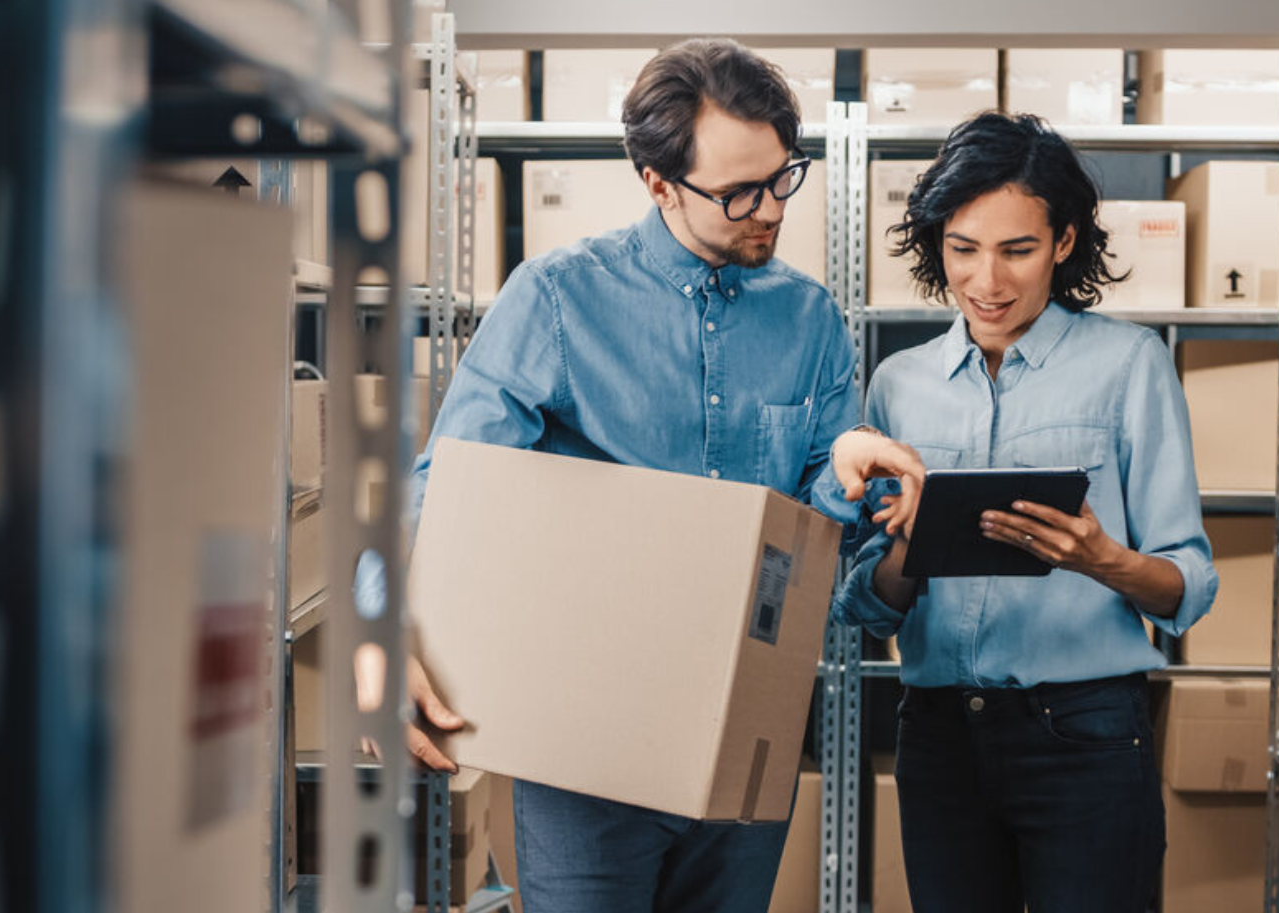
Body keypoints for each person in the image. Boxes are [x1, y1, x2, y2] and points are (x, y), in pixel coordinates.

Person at [382, 38, 925, 913]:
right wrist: (385, 618)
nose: (770, 210)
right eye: (737, 193)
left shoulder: (812, 320)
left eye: (782, 178)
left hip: (748, 731)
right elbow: (446, 486)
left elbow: (818, 523)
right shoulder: (558, 299)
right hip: (586, 744)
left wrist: (848, 470)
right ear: (656, 181)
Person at [833, 112, 1219, 913]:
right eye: (963, 249)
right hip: (939, 737)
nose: (987, 282)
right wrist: (907, 542)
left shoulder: (1128, 365)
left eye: (1018, 250)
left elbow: (1188, 583)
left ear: (1066, 242)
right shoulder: (898, 384)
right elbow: (869, 608)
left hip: (1084, 732)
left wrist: (1099, 558)